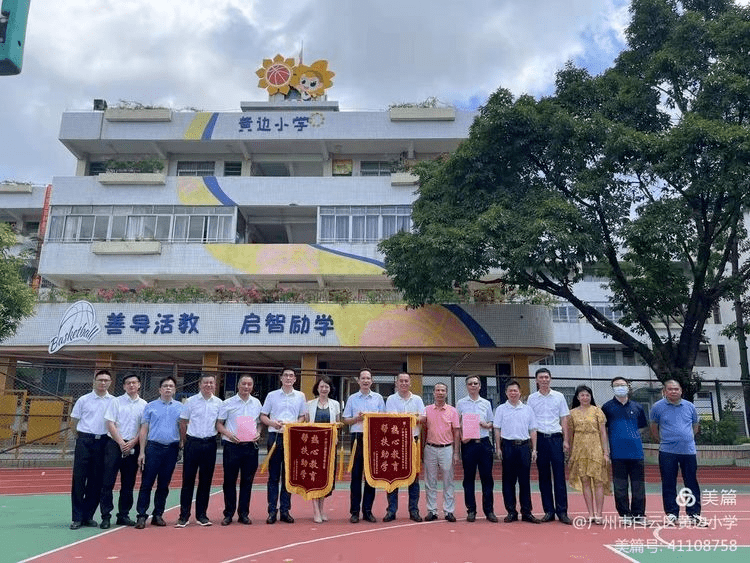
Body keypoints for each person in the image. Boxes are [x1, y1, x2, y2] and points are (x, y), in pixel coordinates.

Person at [649, 379, 707, 526]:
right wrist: (663, 440)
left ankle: (694, 514)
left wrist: (686, 439)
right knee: (668, 483)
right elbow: (654, 428)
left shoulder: (690, 406)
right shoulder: (657, 407)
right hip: (667, 451)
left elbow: (695, 426)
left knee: (691, 482)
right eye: (670, 389)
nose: (673, 391)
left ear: (681, 390)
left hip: (688, 451)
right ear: (664, 391)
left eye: (676, 389)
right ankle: (672, 514)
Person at [135, 376, 183, 529]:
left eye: (171, 386)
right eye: (165, 386)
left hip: (171, 449)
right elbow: (144, 429)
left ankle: (158, 514)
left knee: (164, 484)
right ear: (160, 389)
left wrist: (182, 445)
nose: (168, 388)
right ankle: (141, 515)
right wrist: (142, 452)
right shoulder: (150, 406)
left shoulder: (180, 407)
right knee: (146, 483)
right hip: (153, 448)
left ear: (175, 389)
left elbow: (183, 428)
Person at [99, 371, 146, 529]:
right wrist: (120, 442)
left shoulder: (144, 405)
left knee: (128, 483)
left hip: (133, 444)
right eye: (128, 383)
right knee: (107, 482)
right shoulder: (116, 402)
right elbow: (110, 424)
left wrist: (133, 442)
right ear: (124, 386)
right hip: (114, 444)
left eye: (134, 383)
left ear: (139, 385)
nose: (131, 385)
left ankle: (123, 515)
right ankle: (106, 516)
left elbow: (144, 428)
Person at [260, 367, 306, 524]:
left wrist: (295, 424)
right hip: (275, 436)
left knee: (288, 476)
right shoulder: (272, 396)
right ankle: (272, 510)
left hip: (291, 437)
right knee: (273, 475)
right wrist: (273, 423)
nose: (288, 378)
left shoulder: (300, 396)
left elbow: (302, 416)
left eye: (291, 376)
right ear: (280, 378)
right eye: (285, 375)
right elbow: (263, 416)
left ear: (295, 379)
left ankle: (285, 510)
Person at [175, 373, 222, 527]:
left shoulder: (219, 403)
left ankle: (202, 515)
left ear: (215, 385)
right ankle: (184, 516)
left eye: (211, 383)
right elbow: (183, 422)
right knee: (188, 480)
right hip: (192, 443)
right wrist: (184, 441)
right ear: (200, 385)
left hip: (209, 444)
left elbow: (220, 423)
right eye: (206, 383)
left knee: (206, 481)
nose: (209, 385)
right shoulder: (190, 401)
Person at [527, 367, 572, 524]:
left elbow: (564, 419)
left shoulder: (559, 396)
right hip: (540, 440)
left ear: (550, 379)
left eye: (547, 377)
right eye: (541, 377)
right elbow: (531, 423)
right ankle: (548, 511)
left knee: (559, 476)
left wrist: (566, 440)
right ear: (536, 380)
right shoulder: (532, 398)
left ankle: (562, 511)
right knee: (544, 477)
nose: (544, 380)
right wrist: (533, 446)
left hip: (556, 439)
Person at [70, 369, 114, 530]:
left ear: (110, 382)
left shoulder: (114, 401)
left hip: (103, 442)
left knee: (96, 481)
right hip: (84, 441)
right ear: (94, 382)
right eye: (100, 380)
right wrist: (80, 437)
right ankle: (76, 517)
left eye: (106, 380)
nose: (103, 383)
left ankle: (88, 516)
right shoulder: (84, 399)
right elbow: (73, 421)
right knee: (79, 480)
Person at [492, 380, 541, 524]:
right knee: (508, 481)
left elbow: (533, 430)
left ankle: (527, 512)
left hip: (524, 447)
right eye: (510, 391)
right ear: (506, 393)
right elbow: (497, 429)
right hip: (507, 446)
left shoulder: (527, 409)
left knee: (525, 481)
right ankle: (511, 512)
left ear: (520, 393)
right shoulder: (501, 409)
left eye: (515, 391)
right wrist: (498, 447)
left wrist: (534, 449)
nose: (513, 393)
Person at [217, 374, 262, 526]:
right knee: (229, 480)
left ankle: (244, 513)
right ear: (238, 385)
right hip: (232, 446)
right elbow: (219, 425)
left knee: (247, 481)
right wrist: (229, 434)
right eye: (244, 384)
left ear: (252, 386)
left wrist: (259, 432)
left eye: (249, 384)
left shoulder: (256, 403)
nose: (246, 387)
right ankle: (228, 513)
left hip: (250, 447)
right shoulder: (228, 403)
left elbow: (260, 423)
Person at [601, 377, 648, 524]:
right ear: (612, 388)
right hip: (617, 453)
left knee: (638, 485)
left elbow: (642, 427)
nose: (620, 388)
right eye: (616, 386)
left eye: (622, 385)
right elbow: (604, 430)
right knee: (620, 485)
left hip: (636, 452)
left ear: (628, 387)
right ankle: (625, 514)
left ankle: (638, 514)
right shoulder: (607, 407)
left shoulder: (637, 407)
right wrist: (606, 450)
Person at [342, 368, 385, 523]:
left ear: (371, 381)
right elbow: (345, 419)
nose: (366, 381)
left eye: (368, 378)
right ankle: (354, 512)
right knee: (355, 476)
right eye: (363, 378)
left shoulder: (379, 398)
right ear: (358, 381)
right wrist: (356, 419)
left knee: (370, 477)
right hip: (357, 438)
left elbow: (384, 420)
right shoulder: (352, 398)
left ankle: (367, 510)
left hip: (373, 439)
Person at [383, 372, 426, 523]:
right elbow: (390, 419)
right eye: (400, 381)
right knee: (392, 477)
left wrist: (413, 417)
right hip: (394, 442)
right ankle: (391, 510)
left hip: (412, 441)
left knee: (413, 478)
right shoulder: (391, 399)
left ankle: (414, 510)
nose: (403, 383)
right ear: (396, 383)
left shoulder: (418, 399)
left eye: (406, 381)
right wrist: (409, 416)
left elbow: (423, 417)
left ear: (410, 383)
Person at [567, 385, 611, 525]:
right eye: (582, 395)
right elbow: (571, 434)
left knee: (598, 481)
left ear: (591, 396)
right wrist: (571, 453)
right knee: (585, 481)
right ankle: (590, 513)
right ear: (577, 397)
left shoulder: (598, 411)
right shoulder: (572, 413)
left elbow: (603, 433)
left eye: (587, 395)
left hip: (596, 449)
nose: (585, 397)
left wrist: (606, 452)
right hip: (580, 450)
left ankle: (599, 513)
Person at [456, 375, 497, 523]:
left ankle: (489, 510)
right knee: (468, 478)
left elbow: (492, 422)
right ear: (467, 386)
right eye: (470, 384)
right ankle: (471, 510)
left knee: (487, 478)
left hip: (484, 443)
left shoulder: (486, 403)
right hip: (468, 444)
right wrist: (462, 437)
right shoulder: (460, 403)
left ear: (480, 386)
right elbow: (458, 424)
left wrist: (487, 425)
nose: (473, 386)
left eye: (476, 383)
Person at [304, 374, 341, 523]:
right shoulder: (310, 404)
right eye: (321, 386)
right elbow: (306, 424)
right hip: (314, 446)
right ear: (317, 388)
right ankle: (315, 510)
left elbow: (338, 423)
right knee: (314, 476)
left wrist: (336, 435)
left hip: (329, 445)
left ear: (330, 388)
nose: (324, 389)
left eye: (326, 386)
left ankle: (322, 508)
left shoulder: (335, 404)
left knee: (326, 477)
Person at [423, 382, 460, 522]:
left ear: (446, 393)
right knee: (430, 481)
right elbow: (423, 428)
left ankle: (449, 511)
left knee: (448, 481)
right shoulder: (426, 410)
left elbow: (456, 432)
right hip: (430, 448)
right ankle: (432, 510)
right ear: (433, 393)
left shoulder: (452, 411)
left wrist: (456, 452)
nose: (440, 393)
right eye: (437, 390)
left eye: (443, 390)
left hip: (447, 449)